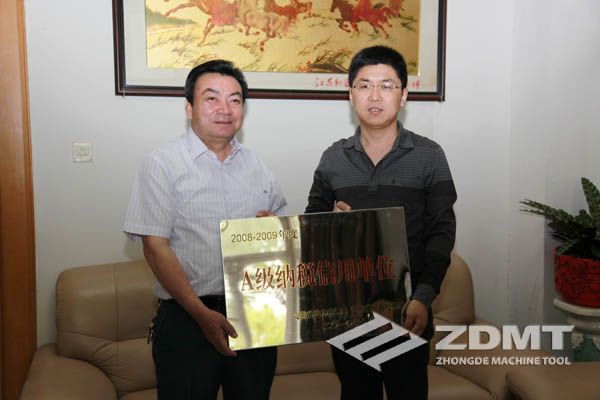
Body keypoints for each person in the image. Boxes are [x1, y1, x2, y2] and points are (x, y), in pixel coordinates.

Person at [123, 59, 287, 400]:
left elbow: (282, 233)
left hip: (253, 315)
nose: (225, 109)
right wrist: (201, 315)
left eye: (235, 100)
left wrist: (273, 229)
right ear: (189, 107)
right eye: (211, 98)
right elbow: (155, 248)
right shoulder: (162, 164)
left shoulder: (258, 166)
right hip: (186, 317)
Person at [305, 46, 456, 400]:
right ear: (350, 94)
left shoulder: (429, 156)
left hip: (408, 312)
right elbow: (311, 229)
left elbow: (441, 233)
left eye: (386, 86)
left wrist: (423, 297)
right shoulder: (333, 158)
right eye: (364, 86)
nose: (375, 96)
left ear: (403, 95)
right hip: (348, 314)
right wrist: (330, 225)